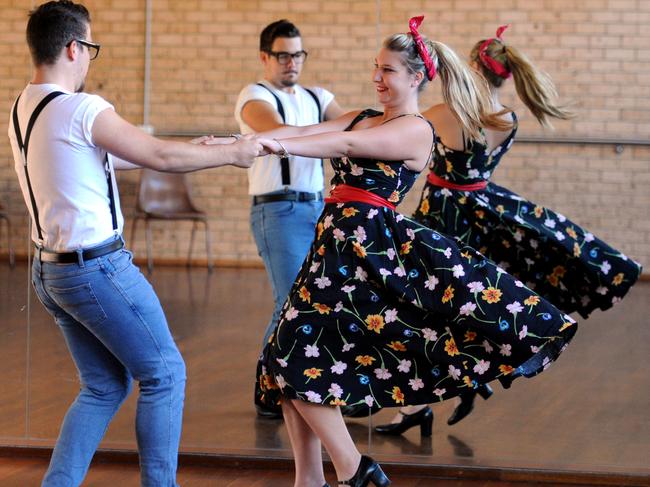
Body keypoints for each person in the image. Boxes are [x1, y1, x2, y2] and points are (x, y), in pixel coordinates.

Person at [253, 17, 577, 487]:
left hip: (368, 249)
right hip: (333, 246)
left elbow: (342, 143)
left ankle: (354, 469)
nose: (376, 77)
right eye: (375, 67)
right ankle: (313, 479)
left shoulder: (421, 126)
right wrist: (240, 143)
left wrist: (273, 144)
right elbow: (317, 131)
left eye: (387, 70)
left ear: (415, 77)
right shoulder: (480, 118)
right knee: (285, 362)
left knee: (293, 358)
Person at [7, 2, 266, 486]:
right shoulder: (81, 107)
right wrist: (234, 152)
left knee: (104, 386)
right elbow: (156, 154)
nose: (90, 59)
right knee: (165, 374)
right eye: (91, 48)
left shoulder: (26, 107)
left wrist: (200, 150)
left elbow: (109, 156)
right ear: (73, 48)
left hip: (52, 272)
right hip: (95, 271)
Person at [374, 24, 642, 436]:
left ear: (471, 69)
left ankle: (420, 401)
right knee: (462, 307)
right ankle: (433, 398)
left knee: (424, 307)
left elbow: (397, 130)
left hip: (445, 215)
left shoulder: (447, 114)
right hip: (484, 211)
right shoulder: (508, 118)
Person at [233, 19, 345, 418]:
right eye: (282, 55)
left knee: (319, 299)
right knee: (291, 302)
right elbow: (279, 133)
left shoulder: (318, 96)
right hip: (276, 208)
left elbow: (351, 125)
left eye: (297, 54)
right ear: (265, 57)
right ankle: (271, 391)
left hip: (317, 206)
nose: (291, 62)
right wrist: (337, 130)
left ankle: (309, 390)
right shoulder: (254, 95)